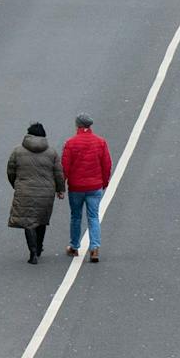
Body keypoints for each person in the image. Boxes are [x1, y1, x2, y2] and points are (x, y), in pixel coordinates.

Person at [6, 121, 66, 264]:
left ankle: (32, 252)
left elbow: (10, 171)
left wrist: (16, 184)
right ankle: (39, 247)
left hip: (24, 191)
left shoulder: (17, 151)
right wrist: (60, 189)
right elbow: (58, 173)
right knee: (41, 220)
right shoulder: (51, 152)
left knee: (28, 222)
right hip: (46, 192)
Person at [61, 112, 112, 262]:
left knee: (76, 216)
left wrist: (61, 186)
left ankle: (75, 246)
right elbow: (106, 164)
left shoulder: (71, 143)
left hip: (76, 187)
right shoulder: (100, 142)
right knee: (93, 217)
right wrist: (104, 182)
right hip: (94, 186)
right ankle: (94, 248)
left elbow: (65, 167)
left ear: (78, 125)